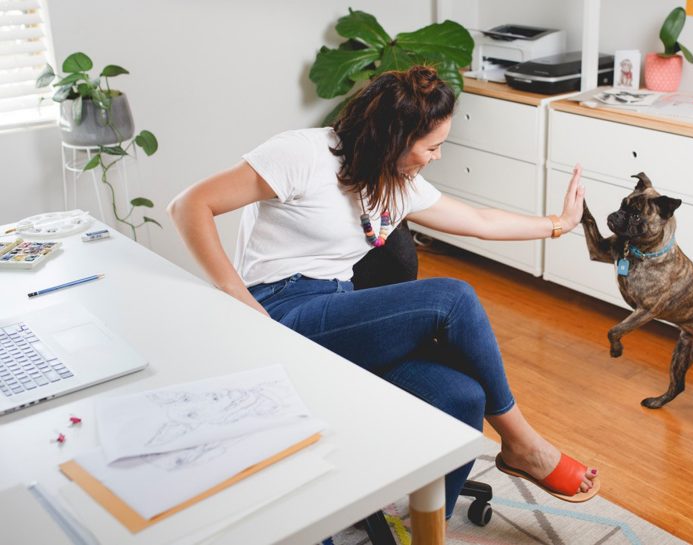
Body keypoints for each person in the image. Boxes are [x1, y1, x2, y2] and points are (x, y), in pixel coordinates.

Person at [167, 66, 599, 518]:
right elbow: (190, 205)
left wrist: (558, 225)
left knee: (463, 398)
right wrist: (238, 298)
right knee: (452, 298)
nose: (437, 157)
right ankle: (522, 443)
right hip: (282, 312)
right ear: (394, 139)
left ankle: (422, 530)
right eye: (431, 147)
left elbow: (480, 221)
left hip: (341, 311)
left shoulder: (397, 183)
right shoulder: (302, 154)